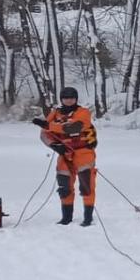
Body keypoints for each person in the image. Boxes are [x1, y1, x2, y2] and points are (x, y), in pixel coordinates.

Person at [35, 87, 98, 226]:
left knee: (86, 184)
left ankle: (88, 217)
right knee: (64, 185)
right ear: (61, 99)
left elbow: (73, 128)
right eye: (65, 98)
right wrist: (55, 146)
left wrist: (49, 125)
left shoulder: (83, 112)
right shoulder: (54, 114)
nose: (69, 100)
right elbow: (44, 134)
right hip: (65, 154)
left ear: (76, 99)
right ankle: (66, 217)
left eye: (71, 97)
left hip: (83, 152)